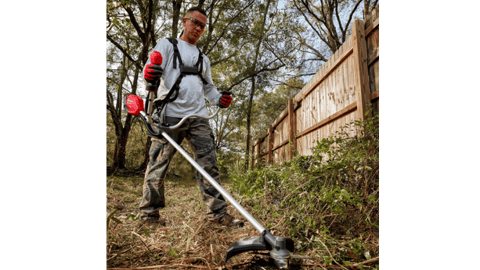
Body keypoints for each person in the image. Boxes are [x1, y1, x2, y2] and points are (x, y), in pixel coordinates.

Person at [138, 7, 243, 229]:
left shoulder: (203, 58)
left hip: (198, 118)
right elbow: (150, 69)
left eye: (202, 26)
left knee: (209, 165)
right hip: (169, 115)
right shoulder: (167, 45)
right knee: (158, 164)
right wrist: (149, 74)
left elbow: (210, 89)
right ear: (184, 21)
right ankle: (149, 216)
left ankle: (218, 215)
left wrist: (220, 99)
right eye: (195, 22)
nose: (198, 28)